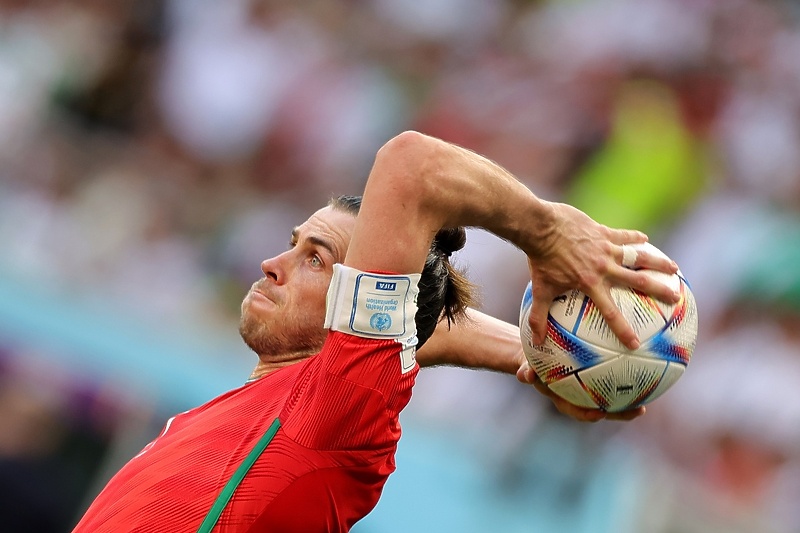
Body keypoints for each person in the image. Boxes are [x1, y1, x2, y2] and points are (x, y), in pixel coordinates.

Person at [72, 131, 680, 532]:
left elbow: (412, 165)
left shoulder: (339, 404)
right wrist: (552, 356)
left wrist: (547, 235)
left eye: (316, 258)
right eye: (292, 245)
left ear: (352, 304)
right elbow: (430, 335)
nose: (272, 264)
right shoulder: (303, 395)